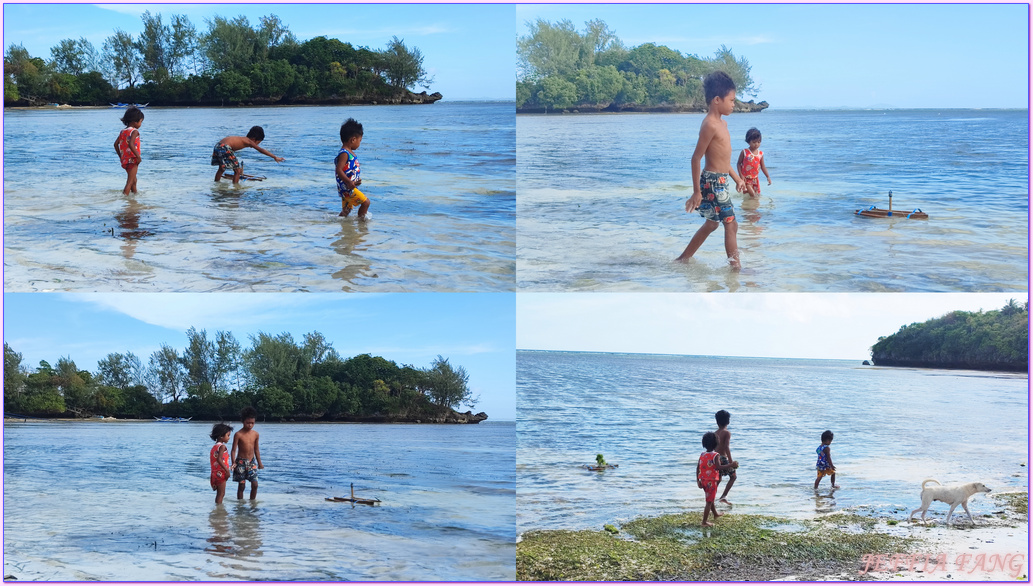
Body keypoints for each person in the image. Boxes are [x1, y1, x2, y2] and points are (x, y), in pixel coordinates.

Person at [676, 71, 746, 269]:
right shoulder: (710, 125)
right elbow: (696, 158)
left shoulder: (723, 124)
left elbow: (723, 161)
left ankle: (683, 259)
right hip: (713, 183)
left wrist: (737, 179)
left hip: (720, 181)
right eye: (731, 100)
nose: (734, 104)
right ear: (717, 100)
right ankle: (736, 269)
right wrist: (697, 192)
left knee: (712, 224)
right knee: (731, 224)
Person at [211, 126, 285, 184]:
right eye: (258, 142)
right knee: (237, 171)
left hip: (218, 146)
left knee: (221, 168)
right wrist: (274, 157)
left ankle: (216, 184)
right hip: (225, 147)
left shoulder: (242, 139)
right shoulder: (249, 141)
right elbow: (261, 150)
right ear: (254, 139)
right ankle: (236, 188)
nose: (257, 144)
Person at [697, 431, 736, 527]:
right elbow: (718, 467)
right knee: (709, 501)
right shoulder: (716, 455)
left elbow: (698, 467)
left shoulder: (702, 454)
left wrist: (698, 480)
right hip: (712, 481)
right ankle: (704, 522)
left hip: (704, 480)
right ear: (717, 443)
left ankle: (715, 514)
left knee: (710, 498)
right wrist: (731, 465)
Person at [335, 118, 371, 220]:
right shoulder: (344, 153)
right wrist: (349, 182)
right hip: (347, 188)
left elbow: (348, 170)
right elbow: (339, 169)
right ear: (353, 140)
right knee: (366, 202)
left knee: (347, 210)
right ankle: (362, 224)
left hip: (348, 187)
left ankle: (340, 224)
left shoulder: (349, 152)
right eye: (360, 140)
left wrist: (354, 181)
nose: (359, 143)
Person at [231, 406, 263, 500]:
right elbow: (233, 450)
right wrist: (233, 463)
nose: (250, 425)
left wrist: (260, 463)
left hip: (251, 462)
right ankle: (240, 505)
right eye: (247, 423)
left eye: (252, 423)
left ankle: (253, 504)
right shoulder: (238, 434)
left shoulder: (255, 434)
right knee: (241, 486)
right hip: (240, 462)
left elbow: (256, 449)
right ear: (243, 421)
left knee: (255, 484)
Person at [114, 107, 144, 195]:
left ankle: (134, 198)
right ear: (135, 121)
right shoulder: (134, 131)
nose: (140, 124)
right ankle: (125, 199)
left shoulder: (123, 131)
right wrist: (138, 157)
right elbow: (131, 144)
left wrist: (121, 156)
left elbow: (115, 144)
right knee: (130, 182)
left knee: (134, 180)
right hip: (133, 159)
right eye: (140, 121)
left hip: (125, 160)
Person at [736, 128, 771, 199]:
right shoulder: (745, 152)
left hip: (755, 179)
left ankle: (750, 208)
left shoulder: (760, 154)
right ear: (748, 142)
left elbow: (763, 166)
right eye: (754, 142)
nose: (756, 144)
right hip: (746, 179)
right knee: (753, 196)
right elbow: (738, 164)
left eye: (759, 142)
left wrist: (768, 176)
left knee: (756, 195)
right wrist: (741, 176)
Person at [714, 410, 739, 503]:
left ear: (717, 421)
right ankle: (723, 497)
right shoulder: (726, 432)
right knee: (733, 477)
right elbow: (726, 447)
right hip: (723, 458)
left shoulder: (715, 433)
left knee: (718, 479)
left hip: (716, 457)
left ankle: (712, 496)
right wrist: (731, 462)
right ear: (728, 421)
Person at [209, 423, 233, 504]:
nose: (229, 438)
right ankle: (219, 511)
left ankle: (217, 510)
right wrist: (227, 471)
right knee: (221, 494)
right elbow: (219, 459)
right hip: (221, 473)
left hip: (214, 474)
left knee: (219, 494)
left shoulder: (214, 447)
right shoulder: (222, 447)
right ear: (221, 436)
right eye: (228, 435)